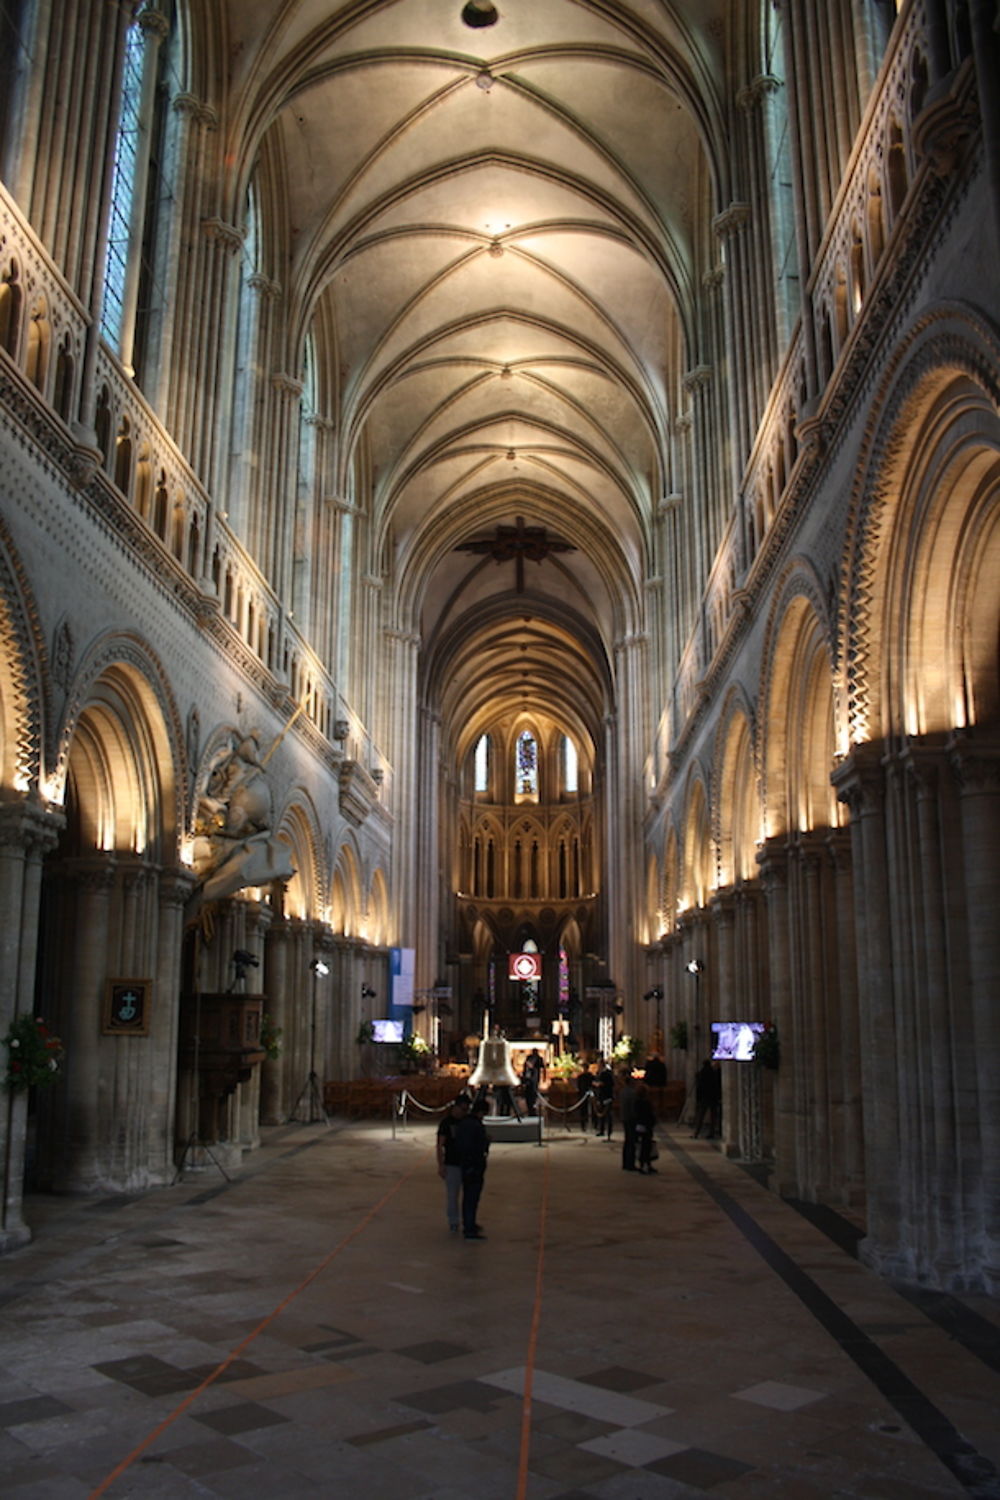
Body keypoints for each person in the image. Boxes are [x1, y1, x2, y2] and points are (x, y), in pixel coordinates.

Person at [454, 1096, 490, 1239]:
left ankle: (470, 1223)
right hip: (473, 1165)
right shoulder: (474, 1125)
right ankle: (469, 1228)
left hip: (468, 1164)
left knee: (470, 1197)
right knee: (471, 1197)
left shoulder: (465, 1123)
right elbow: (473, 1145)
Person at [436, 1093, 470, 1233]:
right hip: (452, 1163)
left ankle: (468, 1221)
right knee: (452, 1195)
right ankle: (453, 1221)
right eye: (462, 1109)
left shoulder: (468, 1121)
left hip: (467, 1163)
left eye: (466, 1110)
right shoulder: (446, 1123)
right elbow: (440, 1145)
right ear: (455, 1107)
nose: (464, 1112)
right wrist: (441, 1164)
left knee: (468, 1196)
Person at [692, 1058, 722, 1138]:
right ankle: (712, 1132)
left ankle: (696, 1133)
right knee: (713, 1116)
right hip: (713, 1097)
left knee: (701, 1115)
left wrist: (698, 1098)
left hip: (704, 1097)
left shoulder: (702, 1073)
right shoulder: (714, 1073)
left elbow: (700, 1087)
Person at [634, 1081, 657, 1173]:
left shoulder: (636, 1102)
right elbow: (649, 1115)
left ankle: (644, 1164)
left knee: (643, 1146)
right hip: (646, 1126)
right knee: (646, 1146)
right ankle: (646, 1164)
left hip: (639, 1125)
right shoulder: (646, 1103)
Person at [618, 1070, 638, 1170]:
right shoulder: (632, 1093)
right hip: (630, 1118)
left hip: (624, 1117)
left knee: (627, 1141)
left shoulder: (623, 1092)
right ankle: (630, 1164)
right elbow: (633, 1107)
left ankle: (625, 1163)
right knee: (631, 1142)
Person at [521, 1047, 546, 1113]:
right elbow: (525, 1066)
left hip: (535, 1077)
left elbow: (543, 1067)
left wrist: (544, 1077)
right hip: (528, 1077)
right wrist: (524, 1075)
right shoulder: (529, 1057)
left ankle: (533, 1105)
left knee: (534, 1091)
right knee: (528, 1092)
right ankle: (529, 1105)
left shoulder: (539, 1059)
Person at [594, 1059, 615, 1137]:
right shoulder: (602, 1073)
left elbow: (606, 1083)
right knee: (602, 1113)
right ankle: (602, 1130)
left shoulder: (605, 1073)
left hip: (606, 1095)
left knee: (607, 1113)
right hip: (603, 1095)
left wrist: (598, 1084)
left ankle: (608, 1130)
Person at [575, 1060, 594, 1131]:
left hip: (589, 1094)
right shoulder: (580, 1076)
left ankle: (593, 1124)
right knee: (583, 1110)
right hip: (582, 1095)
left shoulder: (590, 1076)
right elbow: (579, 1085)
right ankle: (583, 1124)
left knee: (592, 1109)